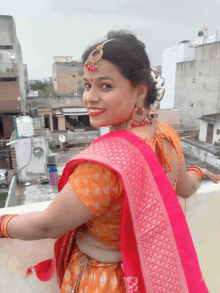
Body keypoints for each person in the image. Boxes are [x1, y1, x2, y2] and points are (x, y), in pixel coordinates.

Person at [0, 30, 218, 292]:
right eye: (87, 84)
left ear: (140, 91)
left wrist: (2, 224)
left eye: (106, 86)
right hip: (148, 277)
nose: (89, 97)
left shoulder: (105, 164)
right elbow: (185, 188)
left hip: (106, 280)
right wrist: (199, 170)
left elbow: (48, 224)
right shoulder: (167, 135)